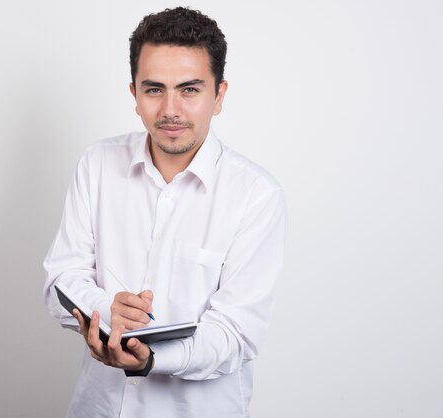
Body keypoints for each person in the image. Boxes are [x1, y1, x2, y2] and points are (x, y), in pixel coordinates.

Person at [43, 7, 286, 418]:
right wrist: (105, 310)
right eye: (154, 89)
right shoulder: (97, 164)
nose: (170, 109)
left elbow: (235, 335)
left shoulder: (256, 195)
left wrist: (150, 360)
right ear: (135, 94)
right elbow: (61, 280)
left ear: (219, 95)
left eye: (189, 89)